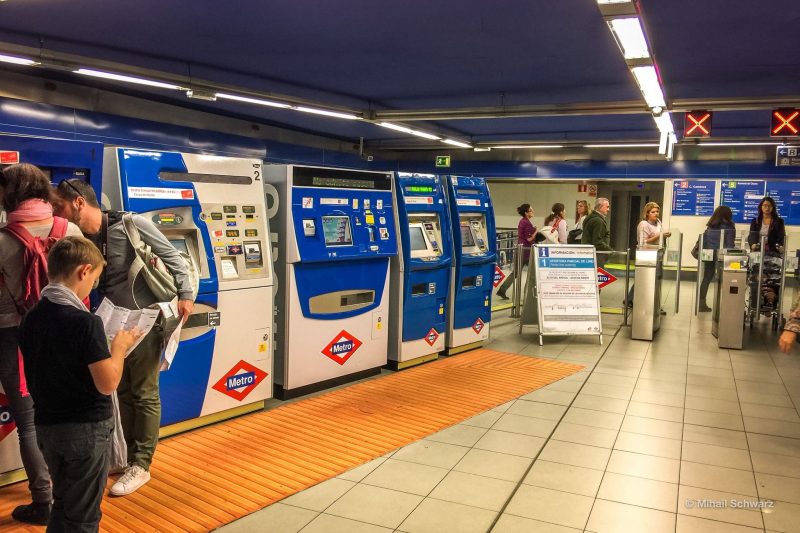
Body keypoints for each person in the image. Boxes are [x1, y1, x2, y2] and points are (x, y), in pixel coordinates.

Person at [52, 179, 195, 496]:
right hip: (109, 322)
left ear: (77, 202)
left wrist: (186, 294)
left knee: (142, 391)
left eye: (58, 205)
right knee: (120, 390)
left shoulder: (131, 223)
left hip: (144, 319)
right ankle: (126, 457)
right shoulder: (80, 237)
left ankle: (141, 465)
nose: (54, 211)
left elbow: (175, 258)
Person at [18, 236, 140, 532]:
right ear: (83, 271)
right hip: (85, 431)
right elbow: (107, 383)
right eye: (95, 279)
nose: (93, 287)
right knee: (83, 517)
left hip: (47, 429)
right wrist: (120, 347)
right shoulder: (85, 323)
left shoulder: (32, 318)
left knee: (62, 506)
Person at [0, 164, 85, 525]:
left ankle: (43, 500)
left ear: (12, 193)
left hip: (12, 335)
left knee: (29, 421)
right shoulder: (71, 230)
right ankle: (71, 493)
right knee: (64, 413)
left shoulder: (3, 239)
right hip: (66, 334)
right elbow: (86, 281)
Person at [626, 202, 670, 307]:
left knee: (654, 279)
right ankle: (630, 299)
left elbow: (659, 238)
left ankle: (652, 303)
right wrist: (660, 235)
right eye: (653, 212)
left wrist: (664, 236)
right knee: (642, 279)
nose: (656, 214)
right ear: (647, 213)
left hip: (657, 255)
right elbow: (644, 242)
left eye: (657, 211)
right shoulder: (643, 224)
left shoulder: (658, 222)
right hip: (645, 255)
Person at [697, 205, 736, 312]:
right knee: (725, 280)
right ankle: (724, 306)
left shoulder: (711, 226)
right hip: (721, 256)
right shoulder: (730, 226)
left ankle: (701, 304)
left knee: (706, 278)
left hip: (709, 254)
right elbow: (729, 245)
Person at [496, 203, 536, 300]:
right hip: (526, 252)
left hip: (521, 251)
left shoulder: (522, 221)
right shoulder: (526, 223)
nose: (533, 211)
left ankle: (502, 290)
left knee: (516, 273)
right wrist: (536, 231)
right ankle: (527, 294)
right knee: (533, 274)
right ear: (526, 213)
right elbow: (529, 239)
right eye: (531, 210)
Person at [581, 198, 611, 266]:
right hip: (597, 256)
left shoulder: (589, 218)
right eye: (607, 207)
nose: (608, 209)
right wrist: (610, 250)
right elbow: (597, 241)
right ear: (600, 207)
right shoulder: (598, 221)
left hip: (588, 254)